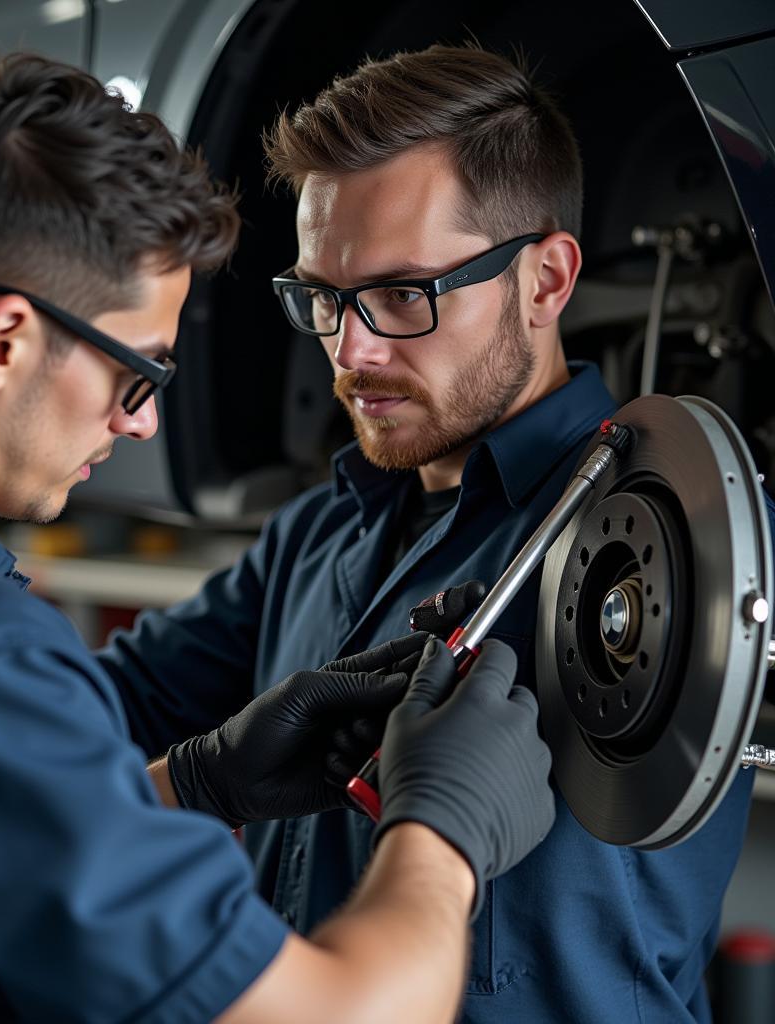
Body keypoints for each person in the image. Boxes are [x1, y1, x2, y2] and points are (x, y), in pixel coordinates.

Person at [0, 53, 557, 1023]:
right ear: (2, 341)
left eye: (399, 296)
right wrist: (445, 826)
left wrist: (190, 780)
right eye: (140, 376)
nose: (140, 424)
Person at [97, 43, 769, 1023]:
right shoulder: (318, 531)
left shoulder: (675, 541)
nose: (350, 351)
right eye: (321, 298)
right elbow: (96, 716)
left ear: (545, 280)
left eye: (403, 294)